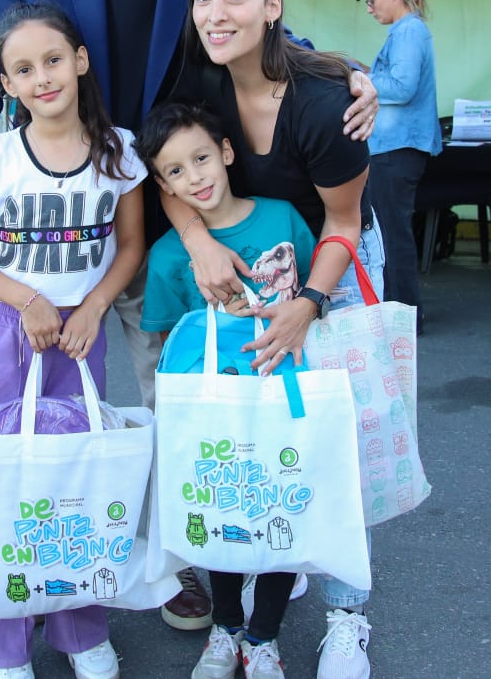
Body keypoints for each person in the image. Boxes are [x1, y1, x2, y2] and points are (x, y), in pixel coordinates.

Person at [0, 0, 375, 630]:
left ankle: (207, 554)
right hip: (68, 217)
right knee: (73, 405)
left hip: (178, 207)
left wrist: (350, 73)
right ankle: (101, 552)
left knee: (187, 390)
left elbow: (265, 30)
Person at [169, 0, 381, 679]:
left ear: (272, 6)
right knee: (259, 428)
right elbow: (167, 169)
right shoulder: (200, 79)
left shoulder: (326, 103)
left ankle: (346, 614)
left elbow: (345, 223)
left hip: (334, 256)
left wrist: (311, 304)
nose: (215, 13)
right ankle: (267, 568)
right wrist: (197, 239)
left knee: (337, 437)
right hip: (253, 257)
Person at [0, 2, 146, 679]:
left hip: (80, 334)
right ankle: (2, 643)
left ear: (80, 60)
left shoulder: (119, 151)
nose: (42, 78)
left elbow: (129, 246)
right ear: (6, 85)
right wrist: (28, 299)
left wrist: (92, 306)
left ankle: (80, 629)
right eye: (22, 69)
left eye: (53, 60)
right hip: (7, 329)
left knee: (78, 479)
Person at [135, 101, 316, 679]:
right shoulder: (169, 257)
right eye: (176, 172)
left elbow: (316, 298)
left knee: (282, 509)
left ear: (226, 152)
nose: (196, 178)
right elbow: (168, 344)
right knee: (224, 510)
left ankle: (264, 637)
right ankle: (225, 628)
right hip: (216, 412)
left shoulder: (284, 218)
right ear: (161, 184)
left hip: (285, 400)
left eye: (202, 158)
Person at [361, 0, 441, 313]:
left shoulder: (409, 31)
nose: (369, 9)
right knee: (392, 231)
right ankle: (400, 311)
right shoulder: (408, 31)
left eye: (371, 0)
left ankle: (404, 314)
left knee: (392, 235)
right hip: (395, 148)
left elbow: (403, 87)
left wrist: (362, 80)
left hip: (397, 149)